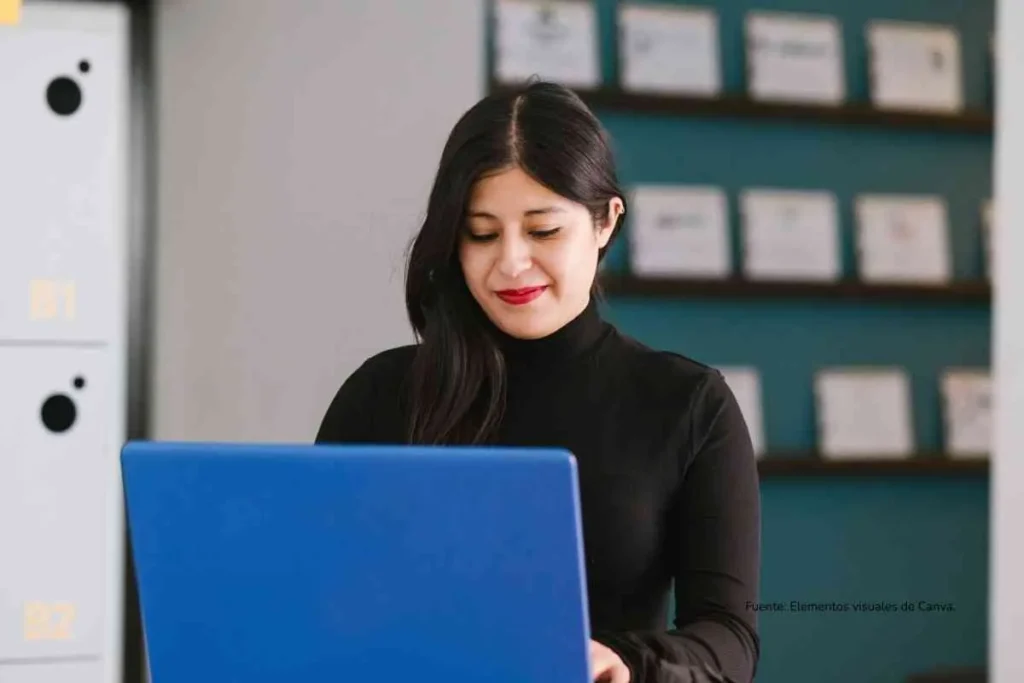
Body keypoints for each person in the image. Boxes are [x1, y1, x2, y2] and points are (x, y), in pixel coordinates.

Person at [315, 80, 761, 683]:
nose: (511, 263)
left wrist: (626, 661)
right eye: (481, 233)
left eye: (543, 231)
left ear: (605, 222)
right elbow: (317, 600)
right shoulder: (378, 394)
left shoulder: (689, 404)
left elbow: (729, 637)